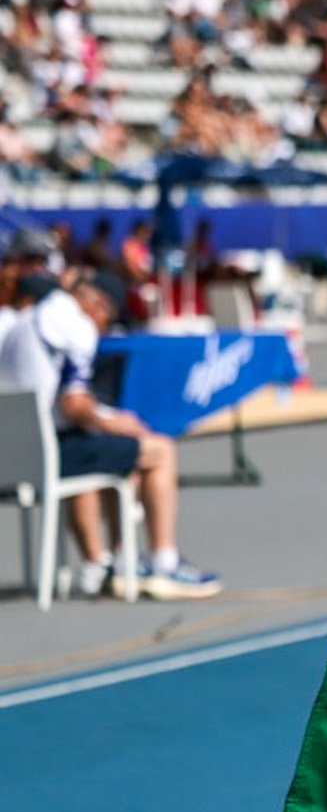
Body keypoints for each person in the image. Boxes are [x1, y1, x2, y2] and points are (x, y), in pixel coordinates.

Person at [0, 253, 222, 599]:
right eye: (108, 318)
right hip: (48, 456)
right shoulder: (76, 326)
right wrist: (115, 421)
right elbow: (74, 405)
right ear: (98, 304)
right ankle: (165, 562)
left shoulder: (23, 322)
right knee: (159, 450)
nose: (104, 328)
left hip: (12, 457)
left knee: (116, 452)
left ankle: (113, 561)